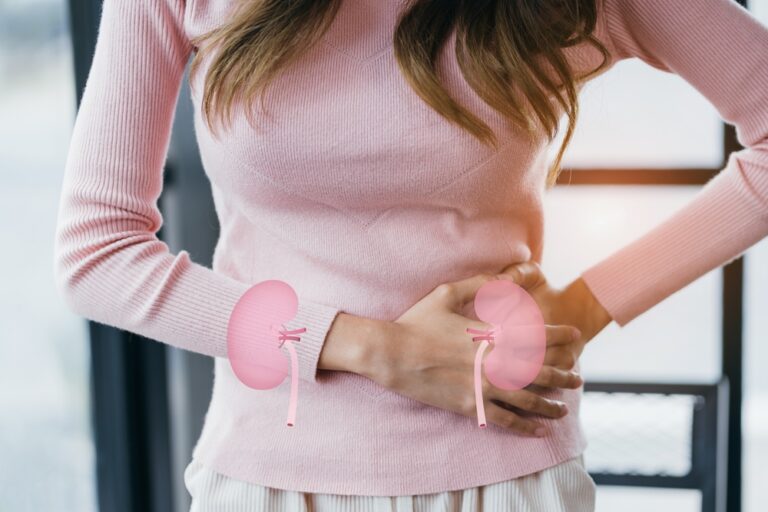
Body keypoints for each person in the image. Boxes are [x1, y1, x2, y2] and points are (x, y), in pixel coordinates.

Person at [53, 0, 768, 510]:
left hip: (508, 473)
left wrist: (584, 306)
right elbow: (98, 253)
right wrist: (382, 351)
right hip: (269, 479)